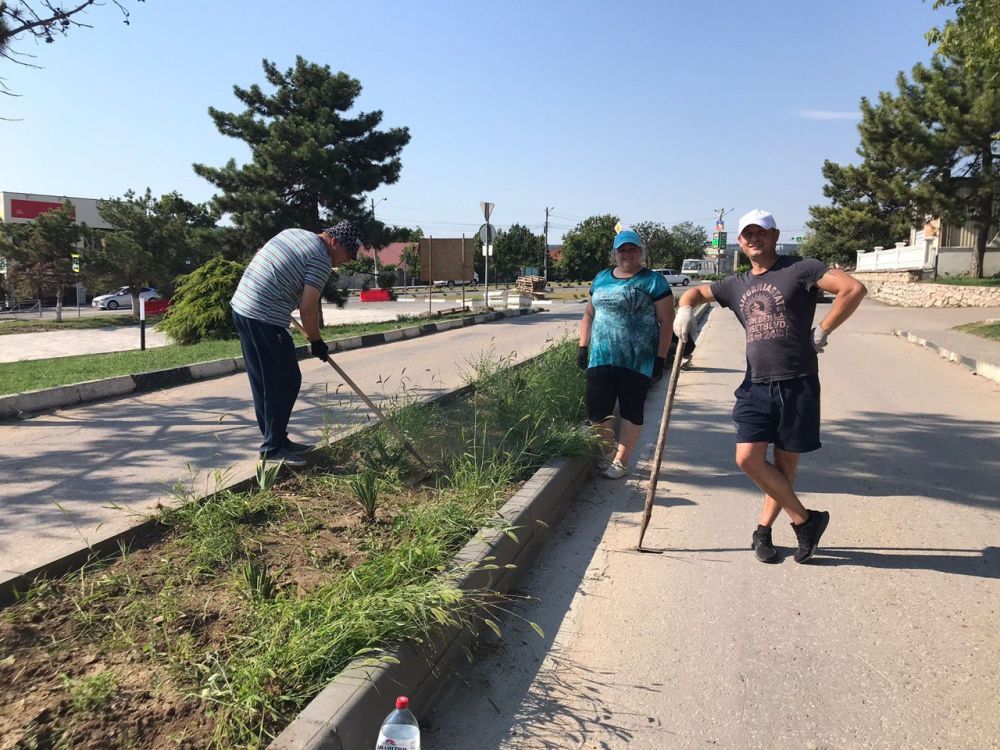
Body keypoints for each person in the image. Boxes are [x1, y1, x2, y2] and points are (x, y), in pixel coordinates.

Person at [674, 209, 866, 563]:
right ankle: (806, 521)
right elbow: (698, 292)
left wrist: (823, 329)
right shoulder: (736, 284)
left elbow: (852, 289)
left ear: (775, 235)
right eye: (746, 235)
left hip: (797, 382)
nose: (752, 239)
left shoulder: (801, 269)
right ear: (740, 241)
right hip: (756, 384)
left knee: (784, 466)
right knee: (747, 458)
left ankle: (763, 531)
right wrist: (683, 309)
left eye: (759, 233)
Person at [230, 220, 362, 467]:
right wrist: (317, 342)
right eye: (348, 254)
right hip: (263, 317)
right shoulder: (321, 259)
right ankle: (271, 448)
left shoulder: (293, 233)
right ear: (334, 242)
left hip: (242, 307)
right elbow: (308, 308)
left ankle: (276, 440)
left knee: (264, 381)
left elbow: (262, 255)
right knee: (286, 380)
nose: (348, 261)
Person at [578, 228, 675, 479]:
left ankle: (621, 460)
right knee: (598, 412)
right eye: (622, 249)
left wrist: (660, 359)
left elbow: (667, 321)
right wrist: (582, 346)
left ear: (640, 252)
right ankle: (607, 451)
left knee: (632, 410)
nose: (627, 254)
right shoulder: (601, 278)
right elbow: (589, 313)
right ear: (615, 253)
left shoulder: (653, 281)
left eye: (632, 249)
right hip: (601, 357)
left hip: (637, 360)